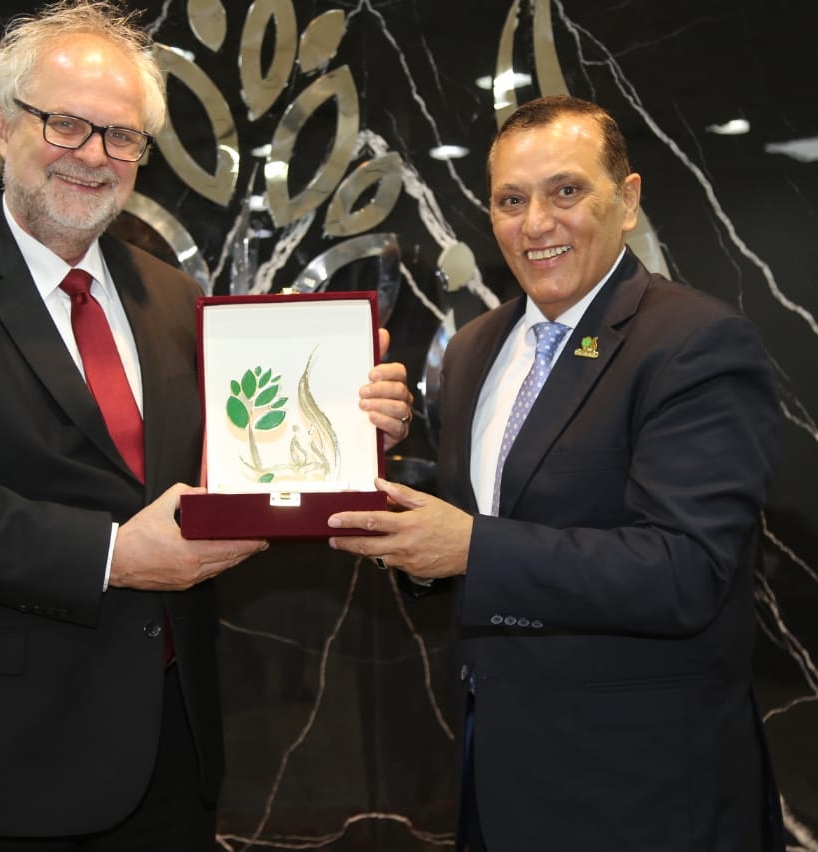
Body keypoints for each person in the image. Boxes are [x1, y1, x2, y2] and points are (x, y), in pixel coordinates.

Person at [0, 2, 414, 849]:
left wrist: (352, 422)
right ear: (2, 125)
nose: (94, 155)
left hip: (170, 756)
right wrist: (110, 554)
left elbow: (231, 467)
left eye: (122, 136)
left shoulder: (173, 297)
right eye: (66, 123)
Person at [328, 95, 785, 852]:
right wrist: (376, 456)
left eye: (565, 191)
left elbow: (686, 570)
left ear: (627, 201)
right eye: (511, 200)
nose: (536, 223)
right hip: (493, 776)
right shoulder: (474, 349)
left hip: (645, 794)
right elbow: (487, 513)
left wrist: (471, 547)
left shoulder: (696, 344)